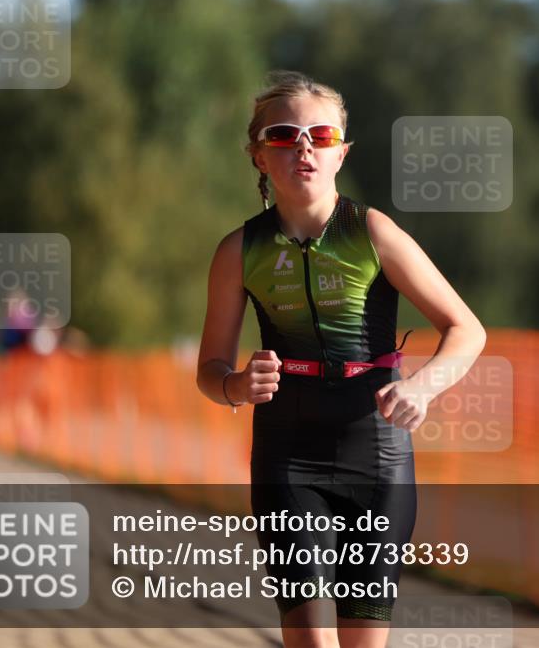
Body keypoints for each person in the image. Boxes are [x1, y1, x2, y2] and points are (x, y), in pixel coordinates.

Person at [196, 70, 486, 648]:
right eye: (283, 135)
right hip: (286, 450)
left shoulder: (373, 232)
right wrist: (234, 387)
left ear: (341, 154)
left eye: (321, 136)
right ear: (258, 156)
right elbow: (209, 368)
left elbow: (466, 330)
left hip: (374, 449)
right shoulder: (239, 250)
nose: (303, 147)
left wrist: (422, 388)